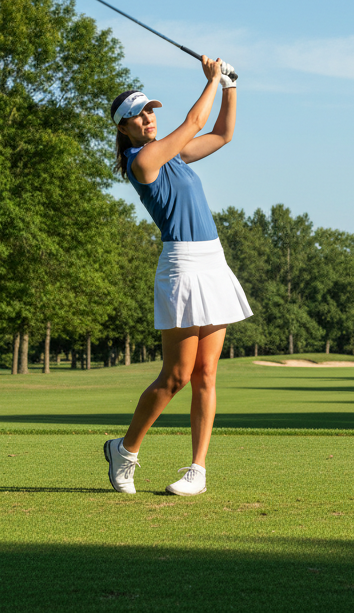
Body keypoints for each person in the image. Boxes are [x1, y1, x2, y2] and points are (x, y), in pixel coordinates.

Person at [103, 56, 251, 496]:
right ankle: (124, 450)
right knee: (176, 376)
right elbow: (192, 121)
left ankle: (197, 470)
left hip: (212, 261)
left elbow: (221, 134)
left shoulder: (175, 156)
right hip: (182, 267)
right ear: (124, 129)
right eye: (137, 115)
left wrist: (230, 87)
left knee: (207, 374)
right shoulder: (143, 163)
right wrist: (211, 79)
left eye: (149, 110)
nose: (147, 118)